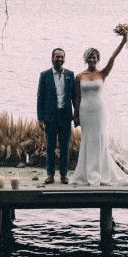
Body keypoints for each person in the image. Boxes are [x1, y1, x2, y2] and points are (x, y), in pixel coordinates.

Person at [69, 31, 128, 186]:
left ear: (98, 59)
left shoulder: (102, 73)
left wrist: (123, 42)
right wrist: (76, 116)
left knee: (100, 139)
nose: (92, 59)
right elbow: (77, 97)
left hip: (99, 111)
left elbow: (112, 58)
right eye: (89, 57)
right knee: (87, 140)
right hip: (85, 111)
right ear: (85, 59)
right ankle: (86, 174)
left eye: (94, 57)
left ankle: (101, 173)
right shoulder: (79, 77)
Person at [36, 46, 76, 186]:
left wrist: (76, 115)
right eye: (57, 57)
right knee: (50, 147)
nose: (59, 59)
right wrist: (40, 118)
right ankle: (50, 175)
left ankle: (64, 175)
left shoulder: (70, 75)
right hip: (50, 118)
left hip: (65, 117)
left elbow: (74, 97)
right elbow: (40, 98)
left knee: (65, 147)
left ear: (64, 59)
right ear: (52, 58)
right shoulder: (44, 75)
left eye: (61, 57)